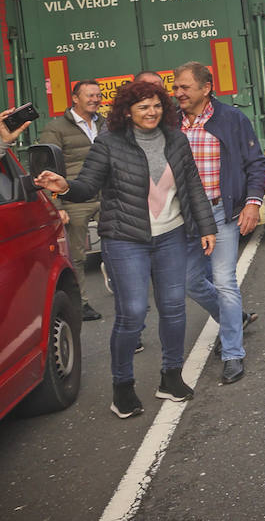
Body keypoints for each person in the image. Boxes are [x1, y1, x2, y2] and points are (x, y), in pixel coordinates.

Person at [34, 80, 215, 419]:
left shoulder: (176, 140)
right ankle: (122, 388)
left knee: (174, 309)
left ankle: (171, 377)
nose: (152, 112)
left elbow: (192, 186)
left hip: (171, 236)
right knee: (132, 313)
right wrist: (64, 187)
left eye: (157, 105)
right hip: (124, 238)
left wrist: (207, 227)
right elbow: (88, 185)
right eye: (144, 107)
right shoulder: (109, 143)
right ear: (127, 111)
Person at [172, 62, 265, 386]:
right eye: (176, 87)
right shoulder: (171, 123)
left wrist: (252, 203)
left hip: (221, 213)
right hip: (185, 219)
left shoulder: (231, 120)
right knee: (189, 282)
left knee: (224, 281)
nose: (178, 92)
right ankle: (234, 318)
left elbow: (255, 163)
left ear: (206, 88)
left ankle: (232, 353)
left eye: (185, 87)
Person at [38, 79, 107, 320]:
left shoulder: (106, 124)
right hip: (75, 199)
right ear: (75, 98)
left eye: (98, 95)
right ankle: (82, 304)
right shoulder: (56, 128)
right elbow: (48, 170)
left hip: (106, 196)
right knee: (76, 256)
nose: (95, 99)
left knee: (120, 245)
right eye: (89, 95)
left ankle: (120, 287)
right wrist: (57, 204)